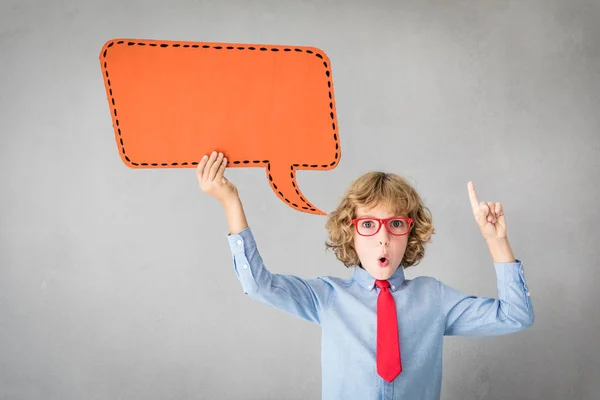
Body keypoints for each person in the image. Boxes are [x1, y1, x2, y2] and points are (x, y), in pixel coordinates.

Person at [196, 150, 534, 400]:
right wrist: (230, 202)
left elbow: (515, 315)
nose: (383, 237)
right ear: (350, 232)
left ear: (410, 232)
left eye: (396, 224)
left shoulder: (435, 298)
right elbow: (258, 285)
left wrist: (496, 240)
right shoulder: (327, 297)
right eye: (369, 225)